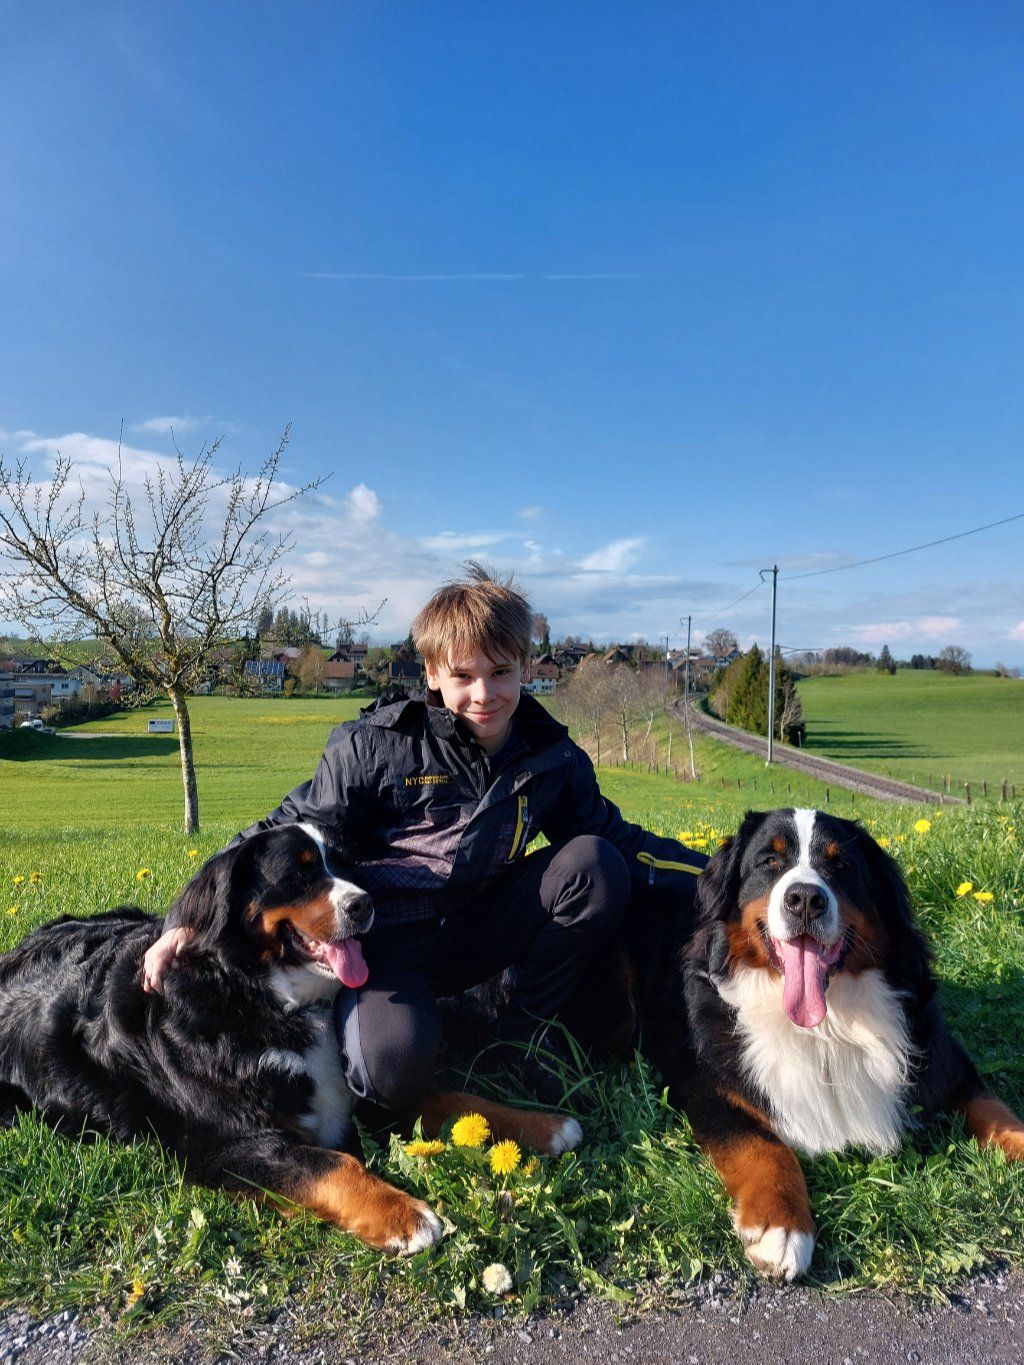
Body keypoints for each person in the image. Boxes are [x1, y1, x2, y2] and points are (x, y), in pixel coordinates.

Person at [143, 564, 708, 1109]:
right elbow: (271, 834)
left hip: (483, 926)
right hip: (383, 940)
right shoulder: (372, 747)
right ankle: (403, 1028)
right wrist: (185, 920)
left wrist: (721, 873)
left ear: (525, 666)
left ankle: (520, 1035)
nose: (484, 693)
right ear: (433, 674)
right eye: (463, 676)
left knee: (595, 863)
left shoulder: (552, 757)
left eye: (501, 672)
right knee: (390, 1078)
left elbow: (617, 838)